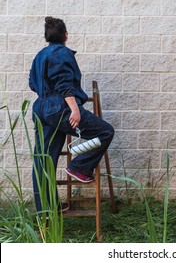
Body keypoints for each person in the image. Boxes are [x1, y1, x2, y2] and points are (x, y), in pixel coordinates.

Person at [29, 16, 114, 213]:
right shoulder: (62, 53)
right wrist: (74, 109)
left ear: (47, 36)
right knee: (105, 132)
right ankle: (79, 167)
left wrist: (47, 97)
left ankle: (46, 209)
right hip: (60, 107)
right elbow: (64, 83)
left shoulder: (40, 55)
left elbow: (33, 83)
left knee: (43, 158)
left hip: (41, 107)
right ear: (65, 35)